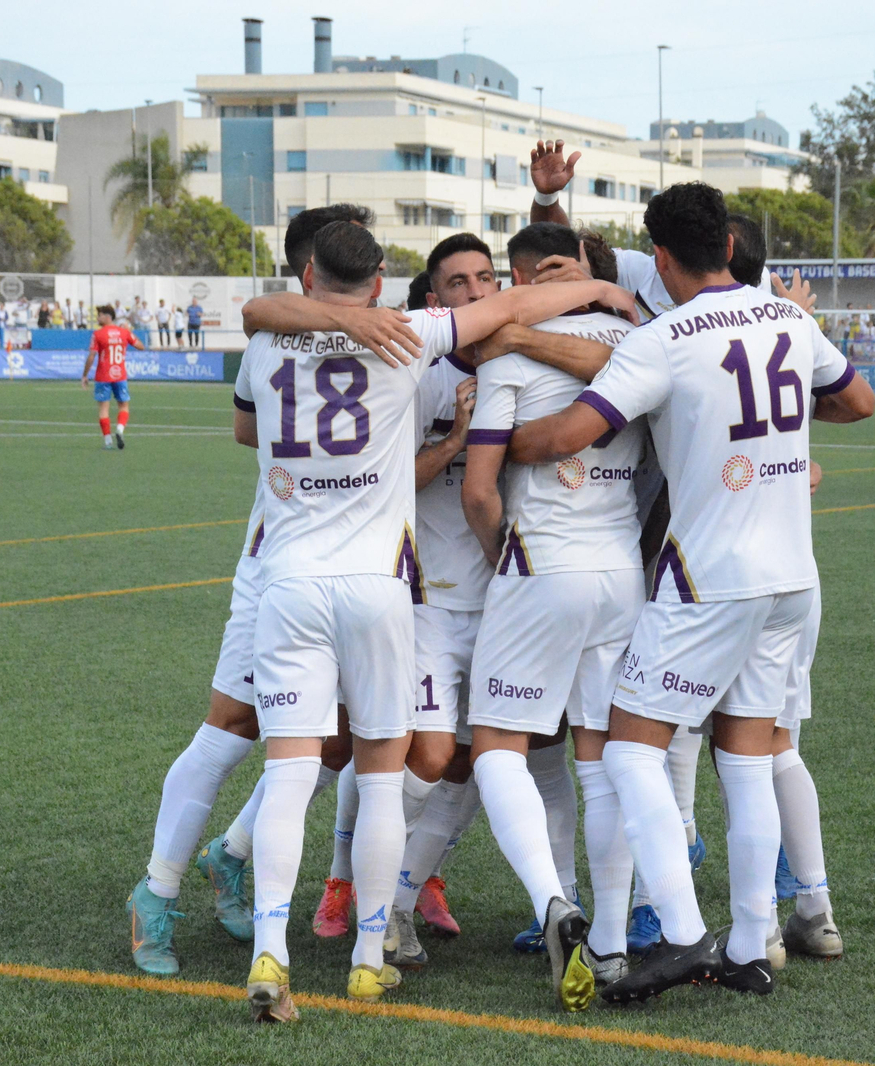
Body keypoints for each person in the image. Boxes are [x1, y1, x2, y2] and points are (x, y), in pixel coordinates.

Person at [232, 221, 635, 1022]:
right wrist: (595, 287)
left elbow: (256, 321)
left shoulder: (265, 342)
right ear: (381, 281)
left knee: (288, 771)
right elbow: (516, 303)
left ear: (310, 273)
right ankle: (367, 956)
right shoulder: (411, 338)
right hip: (381, 586)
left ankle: (269, 951)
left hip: (287, 583)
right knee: (385, 775)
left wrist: (326, 317)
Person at [504, 182, 874, 1003]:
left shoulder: (664, 338)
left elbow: (571, 435)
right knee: (748, 760)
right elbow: (858, 400)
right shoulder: (788, 316)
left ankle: (681, 934)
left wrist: (491, 442)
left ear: (662, 258)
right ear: (732, 249)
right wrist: (782, 434)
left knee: (631, 747)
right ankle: (749, 944)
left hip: (709, 579)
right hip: (792, 578)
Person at [124, 205, 378, 980]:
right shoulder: (273, 340)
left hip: (367, 568)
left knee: (338, 740)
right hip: (280, 564)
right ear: (311, 275)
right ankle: (154, 893)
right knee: (233, 726)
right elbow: (247, 417)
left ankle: (230, 854)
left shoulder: (386, 334)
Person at [460, 221, 646, 1005]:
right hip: (622, 567)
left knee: (497, 744)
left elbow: (479, 489)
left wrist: (499, 552)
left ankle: (551, 902)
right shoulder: (639, 336)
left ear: (528, 278)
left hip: (542, 561)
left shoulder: (507, 347)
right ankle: (608, 938)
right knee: (603, 759)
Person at [81, 305, 143, 449]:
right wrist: (129, 332)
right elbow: (141, 346)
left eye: (100, 315)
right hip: (120, 375)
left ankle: (108, 441)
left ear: (108, 316)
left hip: (103, 376)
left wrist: (85, 375)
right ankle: (120, 430)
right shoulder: (124, 332)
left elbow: (91, 356)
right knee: (124, 406)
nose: (97, 318)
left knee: (103, 409)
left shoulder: (97, 334)